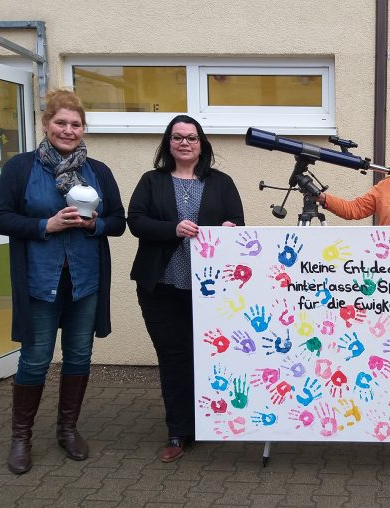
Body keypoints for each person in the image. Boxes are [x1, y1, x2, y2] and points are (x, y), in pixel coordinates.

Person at [0, 89, 126, 474]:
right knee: (35, 360)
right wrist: (43, 225)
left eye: (75, 124)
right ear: (46, 124)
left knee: (79, 356)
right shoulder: (20, 168)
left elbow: (118, 221)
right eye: (61, 123)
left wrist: (95, 223)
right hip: (40, 280)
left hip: (85, 280)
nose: (68, 130)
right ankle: (21, 438)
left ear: (84, 129)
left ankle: (67, 430)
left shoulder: (98, 171)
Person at [128, 115, 245, 462]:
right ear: (168, 144)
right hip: (162, 287)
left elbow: (238, 224)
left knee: (210, 358)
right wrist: (173, 229)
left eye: (191, 138)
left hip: (211, 292)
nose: (184, 143)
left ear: (201, 144)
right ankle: (178, 431)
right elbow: (136, 221)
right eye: (177, 138)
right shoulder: (152, 181)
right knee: (174, 359)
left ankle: (212, 422)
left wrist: (228, 228)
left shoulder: (221, 183)